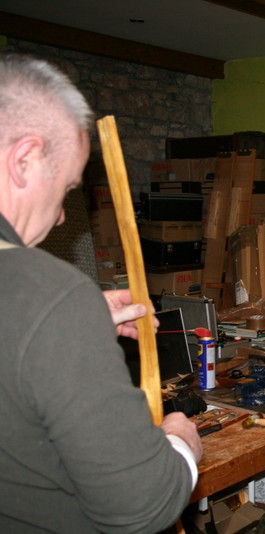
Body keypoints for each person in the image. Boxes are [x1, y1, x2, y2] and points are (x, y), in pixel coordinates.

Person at [0, 53, 203, 533]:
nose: (61, 217)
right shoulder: (50, 295)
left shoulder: (46, 306)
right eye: (66, 187)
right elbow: (141, 504)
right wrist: (179, 443)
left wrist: (78, 321)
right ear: (23, 160)